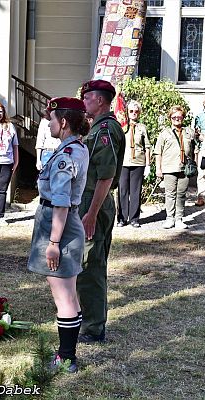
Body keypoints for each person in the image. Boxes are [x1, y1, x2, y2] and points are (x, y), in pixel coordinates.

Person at [28, 97, 90, 373]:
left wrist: (53, 242)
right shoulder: (75, 148)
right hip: (63, 223)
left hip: (59, 227)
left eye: (51, 119)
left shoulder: (66, 156)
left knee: (63, 297)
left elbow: (61, 202)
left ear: (63, 122)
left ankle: (67, 358)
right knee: (69, 295)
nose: (49, 123)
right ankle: (67, 354)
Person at [76, 80, 125, 344]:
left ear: (101, 101)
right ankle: (89, 317)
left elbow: (105, 177)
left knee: (90, 265)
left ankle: (93, 327)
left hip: (96, 200)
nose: (84, 103)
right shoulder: (96, 127)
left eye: (87, 98)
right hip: (91, 199)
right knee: (87, 263)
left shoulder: (105, 130)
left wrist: (92, 213)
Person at [154, 105, 195, 230]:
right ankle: (170, 218)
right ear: (170, 118)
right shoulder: (164, 133)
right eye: (174, 117)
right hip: (169, 167)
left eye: (179, 116)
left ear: (183, 117)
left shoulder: (188, 132)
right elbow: (158, 152)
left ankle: (179, 218)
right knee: (170, 194)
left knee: (181, 194)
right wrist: (158, 169)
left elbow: (194, 149)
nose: (177, 119)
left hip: (184, 168)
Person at [116, 100, 151, 228]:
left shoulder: (142, 128)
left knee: (136, 191)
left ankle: (134, 218)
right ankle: (122, 218)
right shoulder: (122, 126)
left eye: (136, 111)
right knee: (122, 191)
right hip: (124, 162)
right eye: (131, 111)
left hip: (138, 162)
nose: (134, 113)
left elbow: (147, 146)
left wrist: (148, 165)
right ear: (127, 112)